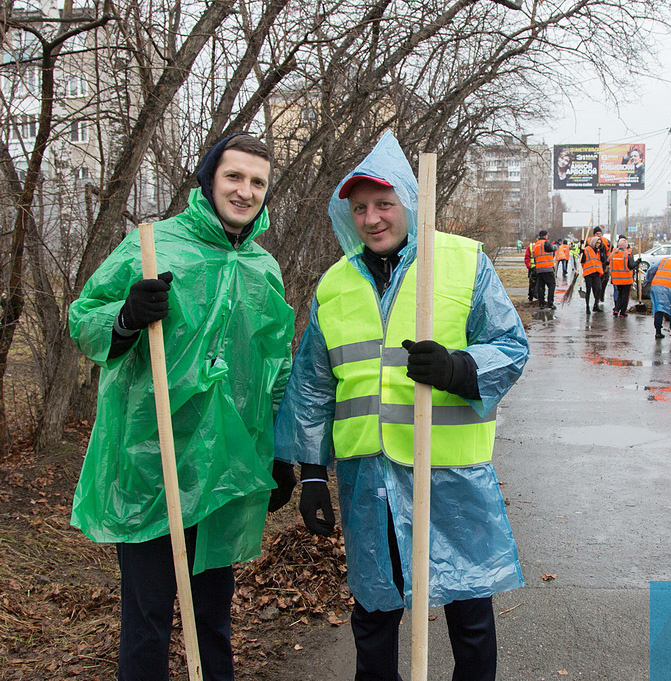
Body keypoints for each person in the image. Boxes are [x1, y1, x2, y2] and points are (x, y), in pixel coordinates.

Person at [273, 131, 529, 681]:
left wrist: (459, 368)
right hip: (370, 480)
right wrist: (313, 474)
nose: (372, 219)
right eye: (360, 208)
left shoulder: (462, 262)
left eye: (384, 204)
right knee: (375, 609)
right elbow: (313, 386)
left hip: (451, 473)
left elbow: (510, 346)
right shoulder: (335, 285)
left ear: (409, 204)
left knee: (469, 609)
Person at [67, 133, 296, 681]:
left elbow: (276, 367)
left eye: (258, 182)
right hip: (151, 463)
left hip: (224, 472)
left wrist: (279, 454)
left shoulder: (264, 268)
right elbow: (83, 316)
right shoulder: (154, 245)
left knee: (213, 616)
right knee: (147, 618)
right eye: (234, 177)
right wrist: (125, 316)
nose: (245, 191)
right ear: (209, 178)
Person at [610, 237, 637, 317]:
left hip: (616, 279)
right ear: (625, 246)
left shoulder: (614, 254)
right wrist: (638, 261)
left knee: (619, 295)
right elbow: (631, 266)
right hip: (626, 279)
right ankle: (622, 312)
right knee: (625, 296)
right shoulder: (626, 255)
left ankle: (616, 309)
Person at [532, 229, 556, 309]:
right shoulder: (546, 243)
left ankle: (541, 304)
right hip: (548, 268)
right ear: (545, 236)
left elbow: (535, 257)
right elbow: (553, 248)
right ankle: (550, 303)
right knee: (551, 285)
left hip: (539, 269)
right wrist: (555, 246)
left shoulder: (536, 245)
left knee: (541, 287)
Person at [580, 235, 605, 314]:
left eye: (599, 243)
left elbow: (602, 260)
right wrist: (581, 251)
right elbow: (582, 260)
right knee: (588, 290)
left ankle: (595, 305)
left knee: (599, 288)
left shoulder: (598, 251)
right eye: (597, 243)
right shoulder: (586, 249)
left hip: (596, 272)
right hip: (588, 273)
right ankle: (587, 307)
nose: (598, 244)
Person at [591, 226, 611, 308]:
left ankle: (601, 294)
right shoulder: (590, 241)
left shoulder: (606, 241)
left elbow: (610, 251)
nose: (598, 235)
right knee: (594, 283)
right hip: (593, 265)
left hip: (603, 264)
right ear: (594, 234)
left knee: (604, 280)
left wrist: (608, 261)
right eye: (597, 234)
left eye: (600, 233)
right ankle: (596, 297)